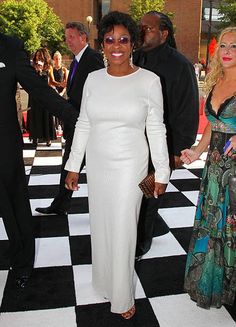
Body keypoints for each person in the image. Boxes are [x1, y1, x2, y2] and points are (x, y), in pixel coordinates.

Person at [64, 11, 170, 319]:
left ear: (133, 43)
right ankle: (104, 281)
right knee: (101, 225)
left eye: (123, 39)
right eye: (109, 39)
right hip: (98, 164)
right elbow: (83, 123)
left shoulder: (149, 81)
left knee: (124, 228)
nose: (116, 46)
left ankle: (122, 297)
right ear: (102, 44)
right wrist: (74, 164)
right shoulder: (94, 79)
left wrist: (161, 172)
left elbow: (157, 128)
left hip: (130, 166)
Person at [0, 32, 79, 289]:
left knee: (13, 203)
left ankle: (22, 261)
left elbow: (39, 90)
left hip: (3, 144)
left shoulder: (9, 46)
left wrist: (77, 118)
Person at [134, 11, 199, 257]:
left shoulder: (180, 65)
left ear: (164, 33)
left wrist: (178, 151)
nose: (142, 31)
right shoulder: (134, 58)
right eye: (140, 27)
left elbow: (188, 109)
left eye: (148, 28)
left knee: (149, 196)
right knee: (132, 195)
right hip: (132, 144)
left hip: (163, 147)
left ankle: (140, 245)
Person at [180, 26, 236, 309]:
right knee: (215, 222)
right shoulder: (215, 81)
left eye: (234, 46)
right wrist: (196, 150)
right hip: (215, 167)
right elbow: (213, 127)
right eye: (223, 46)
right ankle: (215, 283)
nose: (226, 52)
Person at [35, 21, 104, 215]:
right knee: (70, 165)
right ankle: (60, 205)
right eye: (66, 38)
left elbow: (98, 91)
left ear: (83, 37)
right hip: (77, 124)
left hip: (88, 126)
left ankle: (142, 216)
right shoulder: (76, 61)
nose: (68, 42)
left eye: (71, 37)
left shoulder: (92, 58)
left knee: (89, 169)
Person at [27, 48, 57, 146]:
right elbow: (29, 80)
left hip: (45, 95)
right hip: (34, 95)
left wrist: (61, 84)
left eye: (40, 56)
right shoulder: (32, 67)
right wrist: (37, 71)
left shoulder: (49, 67)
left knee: (46, 115)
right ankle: (35, 137)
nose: (38, 58)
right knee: (35, 116)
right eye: (37, 56)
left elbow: (51, 81)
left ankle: (48, 138)